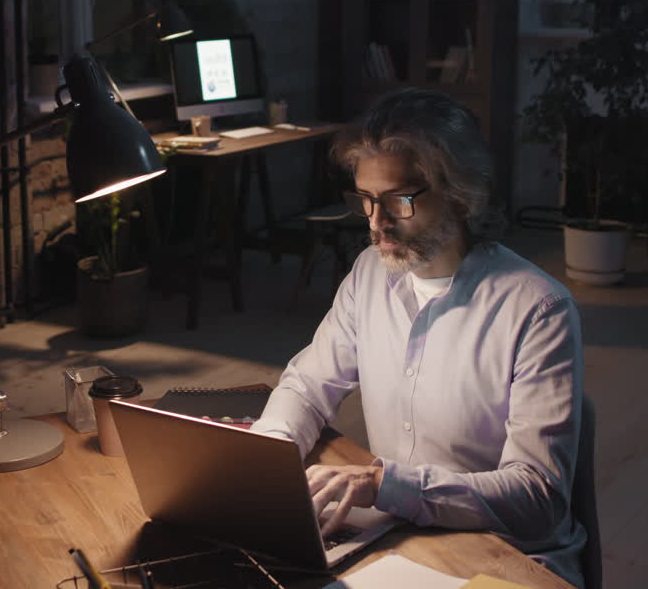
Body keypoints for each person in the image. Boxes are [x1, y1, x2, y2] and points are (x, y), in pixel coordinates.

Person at [249, 88, 587, 587]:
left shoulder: (538, 309)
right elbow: (308, 384)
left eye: (399, 200)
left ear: (460, 193)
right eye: (366, 200)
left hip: (505, 556)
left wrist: (384, 484)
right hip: (400, 535)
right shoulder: (369, 273)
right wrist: (267, 458)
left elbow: (538, 497)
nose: (377, 222)